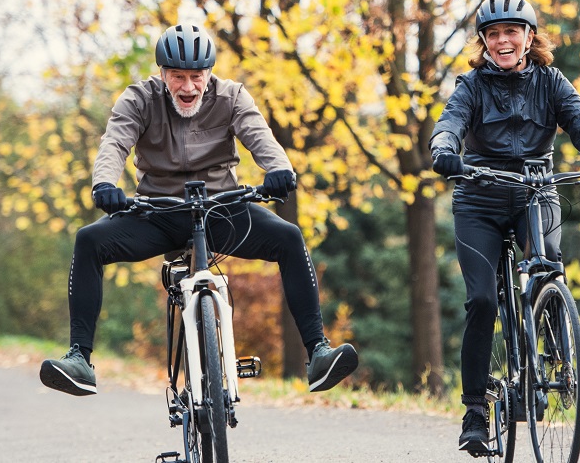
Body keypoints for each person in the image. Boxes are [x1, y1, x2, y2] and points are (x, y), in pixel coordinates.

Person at [40, 24, 358, 397]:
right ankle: (80, 358)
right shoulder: (138, 99)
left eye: (196, 76)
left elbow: (259, 135)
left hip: (221, 211)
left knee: (289, 237)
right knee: (89, 240)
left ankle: (318, 352)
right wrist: (105, 184)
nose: (188, 87)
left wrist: (280, 170)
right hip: (157, 213)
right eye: (178, 76)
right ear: (162, 74)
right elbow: (115, 142)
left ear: (209, 72)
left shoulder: (232, 96)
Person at [428, 0, 580, 454]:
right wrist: (444, 150)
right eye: (493, 34)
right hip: (479, 197)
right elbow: (450, 122)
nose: (502, 40)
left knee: (548, 264)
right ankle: (475, 411)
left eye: (511, 32)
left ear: (528, 37)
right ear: (484, 42)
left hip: (536, 192)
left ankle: (555, 354)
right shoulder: (472, 85)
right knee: (481, 301)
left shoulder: (552, 82)